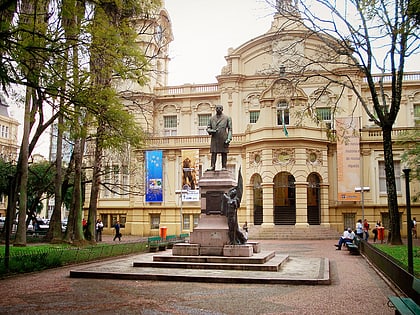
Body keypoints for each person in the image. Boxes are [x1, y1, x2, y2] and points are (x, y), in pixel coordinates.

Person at [206, 105, 232, 171]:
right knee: (214, 153)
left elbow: (230, 129)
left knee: (224, 153)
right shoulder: (211, 118)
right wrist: (212, 131)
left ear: (222, 109)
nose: (218, 109)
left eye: (220, 108)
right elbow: (208, 128)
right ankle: (212, 166)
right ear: (215, 109)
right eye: (217, 108)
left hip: (223, 138)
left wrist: (229, 139)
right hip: (215, 138)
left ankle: (224, 166)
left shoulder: (227, 118)